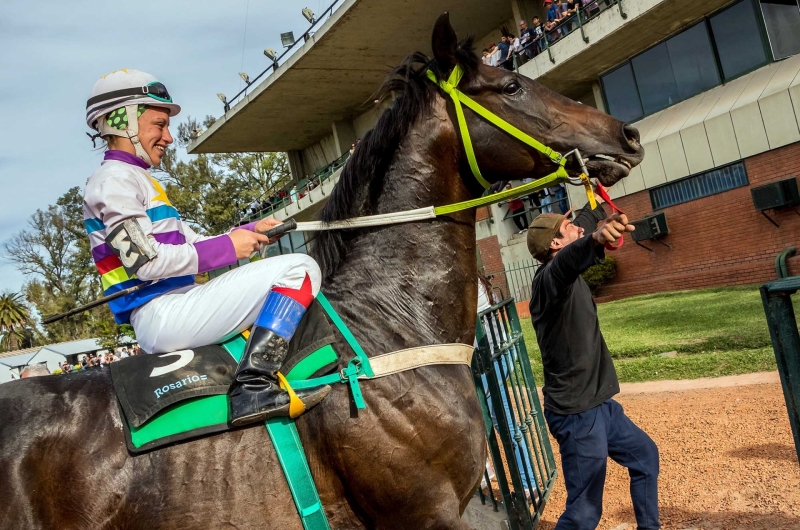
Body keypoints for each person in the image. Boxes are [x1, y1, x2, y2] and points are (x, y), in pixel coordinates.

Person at [83, 69, 329, 426]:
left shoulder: (138, 179)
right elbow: (146, 263)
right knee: (299, 268)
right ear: (122, 121)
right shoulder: (113, 181)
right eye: (159, 124)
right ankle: (253, 388)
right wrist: (230, 247)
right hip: (162, 313)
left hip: (175, 306)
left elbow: (194, 244)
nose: (168, 136)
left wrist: (250, 231)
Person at [526, 201, 660, 530]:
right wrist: (597, 239)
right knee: (584, 511)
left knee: (645, 456)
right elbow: (570, 260)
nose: (577, 227)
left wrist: (598, 194)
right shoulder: (549, 282)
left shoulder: (566, 249)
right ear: (555, 243)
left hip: (600, 405)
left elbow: (586, 220)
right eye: (567, 227)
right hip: (576, 414)